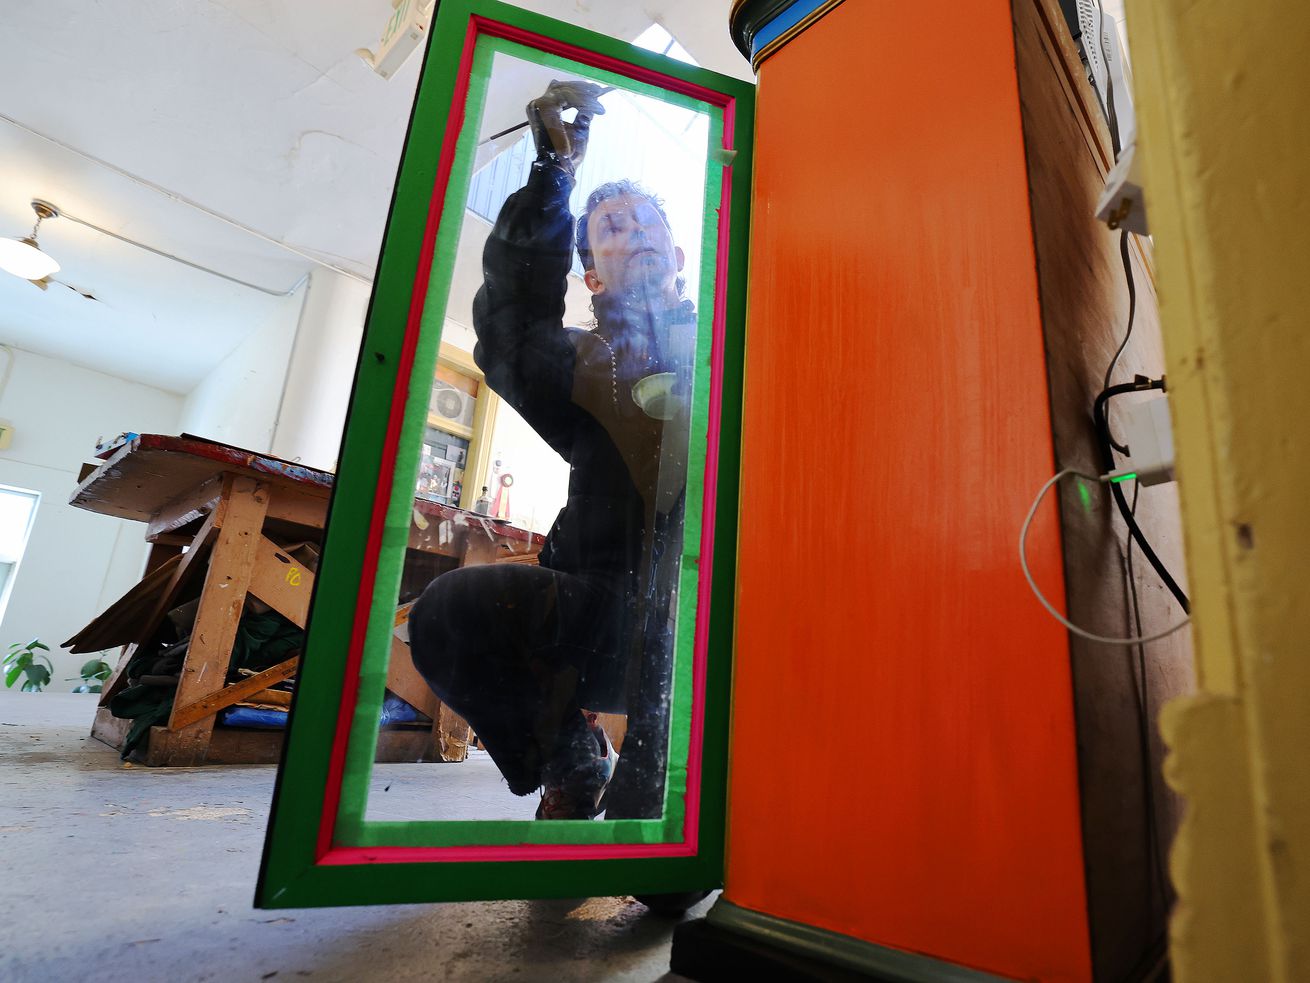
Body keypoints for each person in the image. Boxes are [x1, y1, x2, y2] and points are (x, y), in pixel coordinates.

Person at [408, 80, 695, 821]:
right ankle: (571, 759)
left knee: (663, 878)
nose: (629, 230)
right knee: (446, 614)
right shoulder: (584, 365)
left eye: (641, 220)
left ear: (678, 249)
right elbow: (507, 333)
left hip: (709, 619)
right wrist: (552, 182)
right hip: (600, 616)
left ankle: (663, 776)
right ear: (592, 273)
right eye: (609, 227)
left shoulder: (732, 355)